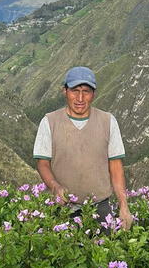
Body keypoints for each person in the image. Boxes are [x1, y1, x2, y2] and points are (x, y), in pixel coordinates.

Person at [33, 65, 133, 230]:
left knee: (102, 253)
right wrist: (55, 186)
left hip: (100, 208)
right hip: (63, 208)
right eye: (74, 90)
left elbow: (115, 167)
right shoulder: (49, 122)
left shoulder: (108, 121)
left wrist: (124, 205)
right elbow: (42, 163)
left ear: (93, 94)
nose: (80, 98)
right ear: (64, 91)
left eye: (86, 91)